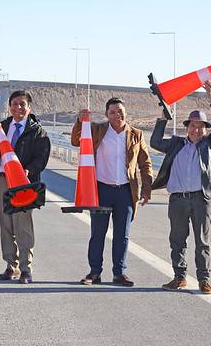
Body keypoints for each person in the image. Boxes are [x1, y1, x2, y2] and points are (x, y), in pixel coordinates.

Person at [151, 81, 211, 294]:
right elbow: (156, 142)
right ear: (187, 128)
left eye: (200, 126)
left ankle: (204, 280)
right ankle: (179, 277)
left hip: (201, 199)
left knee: (202, 241)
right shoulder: (177, 144)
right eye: (192, 125)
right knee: (177, 239)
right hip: (178, 200)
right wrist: (163, 119)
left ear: (205, 129)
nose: (196, 129)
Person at [70, 97, 152, 287]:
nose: (117, 115)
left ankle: (119, 273)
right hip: (101, 190)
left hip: (125, 191)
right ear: (107, 115)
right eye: (113, 112)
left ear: (126, 112)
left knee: (122, 234)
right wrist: (79, 121)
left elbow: (145, 163)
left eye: (120, 111)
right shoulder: (98, 130)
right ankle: (94, 272)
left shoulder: (136, 135)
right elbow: (75, 141)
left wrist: (147, 188)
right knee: (98, 233)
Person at [0, 91, 50, 284]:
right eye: (14, 104)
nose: (18, 108)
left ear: (29, 108)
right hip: (2, 180)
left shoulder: (37, 131)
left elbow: (42, 157)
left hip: (23, 183)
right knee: (6, 225)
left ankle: (25, 269)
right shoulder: (3, 126)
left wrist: (29, 170)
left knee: (23, 225)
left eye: (22, 104)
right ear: (9, 106)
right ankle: (10, 266)